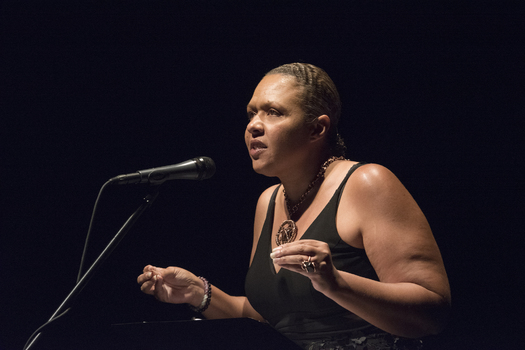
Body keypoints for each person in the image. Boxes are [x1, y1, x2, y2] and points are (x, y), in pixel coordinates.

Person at [137, 63, 451, 349]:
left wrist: (336, 283)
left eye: (273, 112)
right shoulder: (268, 202)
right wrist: (200, 293)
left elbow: (431, 312)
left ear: (318, 128)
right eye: (251, 114)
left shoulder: (366, 183)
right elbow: (274, 319)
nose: (254, 126)